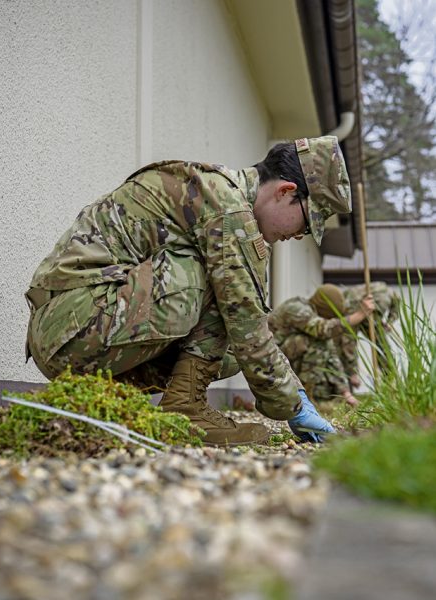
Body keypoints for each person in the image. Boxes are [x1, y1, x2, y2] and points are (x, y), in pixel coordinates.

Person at [25, 136, 351, 446]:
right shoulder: (228, 209)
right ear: (285, 191)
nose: (299, 235)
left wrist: (295, 392)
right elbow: (246, 319)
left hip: (76, 326)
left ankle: (147, 404)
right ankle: (186, 408)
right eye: (307, 222)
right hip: (70, 326)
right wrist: (294, 406)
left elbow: (250, 327)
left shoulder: (221, 197)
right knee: (227, 293)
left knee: (232, 349)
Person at [268, 284, 374, 406]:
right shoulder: (297, 308)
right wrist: (359, 315)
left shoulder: (312, 314)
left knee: (323, 343)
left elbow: (332, 354)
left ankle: (307, 395)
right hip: (270, 360)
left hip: (285, 359)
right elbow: (322, 329)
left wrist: (346, 393)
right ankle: (304, 398)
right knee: (318, 341)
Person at [336, 281, 401, 384]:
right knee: (348, 343)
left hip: (365, 308)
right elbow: (348, 341)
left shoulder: (388, 295)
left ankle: (391, 378)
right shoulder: (353, 301)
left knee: (382, 346)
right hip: (351, 309)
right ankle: (351, 377)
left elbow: (395, 312)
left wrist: (389, 323)